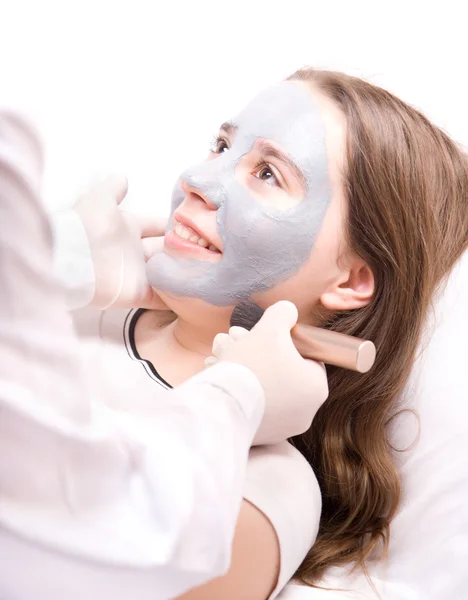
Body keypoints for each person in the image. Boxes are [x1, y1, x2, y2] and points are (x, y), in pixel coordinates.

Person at [0, 113, 327, 600]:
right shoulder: (51, 308)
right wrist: (49, 260)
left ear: (350, 282)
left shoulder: (269, 481)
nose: (196, 179)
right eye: (220, 146)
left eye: (267, 173)